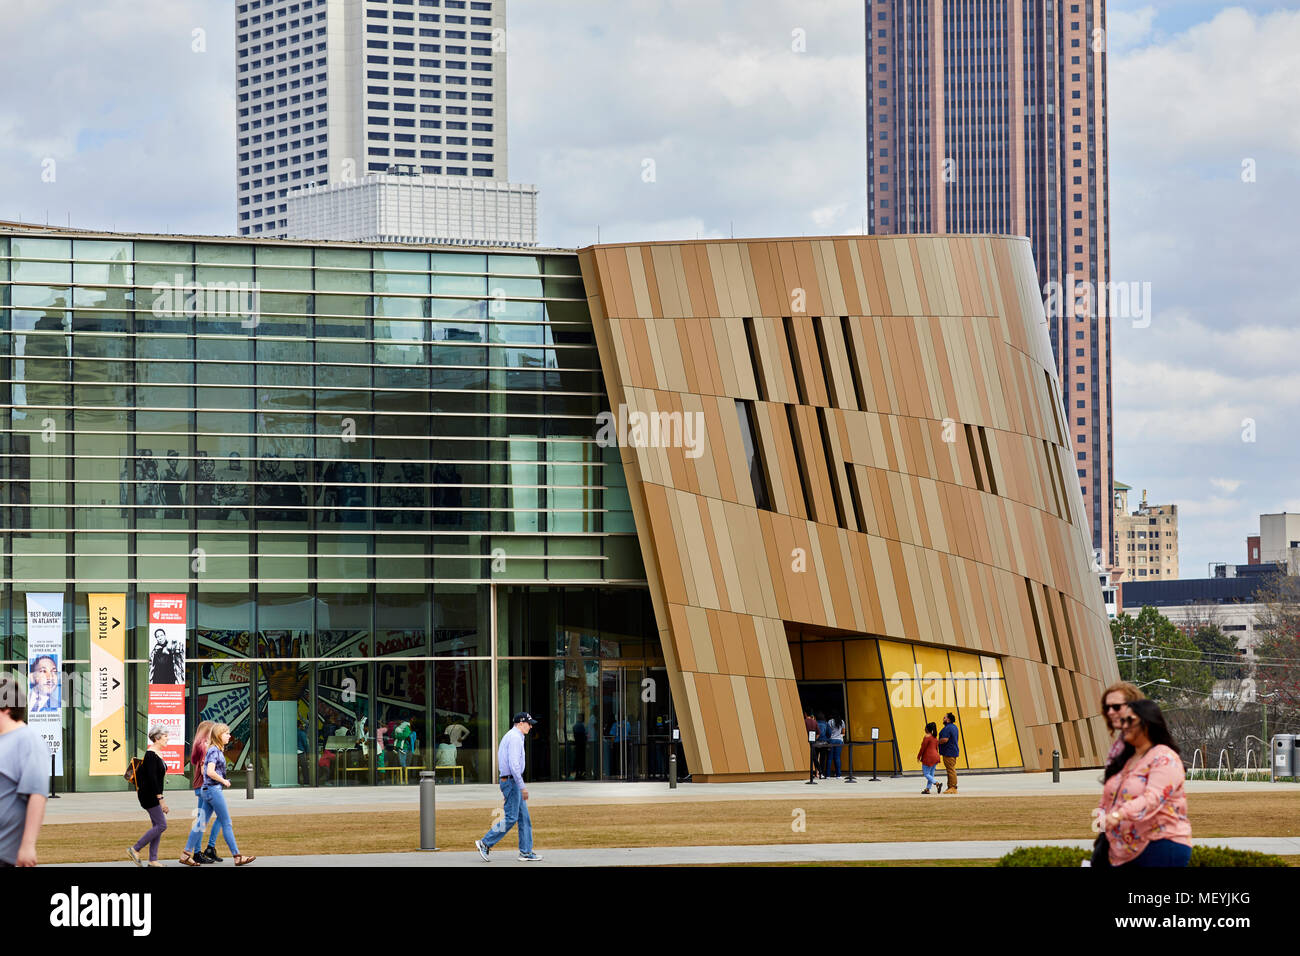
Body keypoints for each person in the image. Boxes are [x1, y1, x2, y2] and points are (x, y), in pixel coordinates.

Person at [1098, 699, 1192, 867]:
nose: (1124, 726)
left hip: (1159, 846)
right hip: (1124, 852)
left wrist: (1118, 815)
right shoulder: (1127, 760)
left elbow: (1153, 798)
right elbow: (1109, 797)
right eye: (1122, 721)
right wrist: (1102, 820)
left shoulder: (1164, 758)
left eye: (1130, 720)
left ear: (1147, 723)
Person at [475, 712, 542, 862]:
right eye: (529, 723)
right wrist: (522, 786)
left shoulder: (514, 736)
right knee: (512, 817)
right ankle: (485, 842)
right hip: (511, 782)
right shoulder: (515, 738)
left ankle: (526, 852)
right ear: (520, 723)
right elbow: (513, 765)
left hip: (511, 781)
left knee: (524, 818)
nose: (531, 726)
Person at [0, 674, 48, 867]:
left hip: (4, 853)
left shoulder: (28, 740)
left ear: (6, 708)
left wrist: (28, 846)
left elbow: (37, 794)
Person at [197, 723, 255, 866]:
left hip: (211, 789)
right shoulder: (214, 751)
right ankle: (237, 856)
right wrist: (223, 780)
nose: (230, 736)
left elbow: (207, 771)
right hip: (213, 790)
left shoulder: (215, 750)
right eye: (226, 733)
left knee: (202, 823)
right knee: (226, 822)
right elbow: (208, 771)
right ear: (218, 735)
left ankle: (188, 852)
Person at [128, 726, 170, 867]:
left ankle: (153, 860)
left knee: (157, 825)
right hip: (149, 795)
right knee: (162, 825)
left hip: (152, 794)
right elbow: (152, 779)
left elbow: (158, 778)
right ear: (157, 738)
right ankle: (135, 848)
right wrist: (161, 799)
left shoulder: (157, 753)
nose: (167, 739)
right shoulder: (151, 755)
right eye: (165, 736)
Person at [1101, 681, 1145, 763]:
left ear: (1134, 706)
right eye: (1107, 708)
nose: (1110, 712)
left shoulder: (1159, 753)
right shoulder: (1116, 748)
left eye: (1116, 707)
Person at [937, 712, 959, 794]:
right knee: (950, 769)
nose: (943, 719)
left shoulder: (948, 728)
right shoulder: (954, 727)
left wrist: (937, 742)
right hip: (952, 751)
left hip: (949, 752)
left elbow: (945, 739)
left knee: (950, 770)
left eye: (945, 717)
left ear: (949, 719)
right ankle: (950, 787)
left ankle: (953, 787)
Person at [917, 722, 941, 794]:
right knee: (931, 774)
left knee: (926, 773)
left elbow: (922, 748)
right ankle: (928, 789)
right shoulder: (935, 738)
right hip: (935, 756)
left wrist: (919, 756)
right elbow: (937, 748)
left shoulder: (927, 737)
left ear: (927, 729)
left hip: (928, 757)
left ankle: (937, 783)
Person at [815, 712, 829, 779]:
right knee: (822, 759)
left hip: (816, 743)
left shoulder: (815, 723)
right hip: (824, 743)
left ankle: (816, 773)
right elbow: (829, 733)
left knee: (815, 758)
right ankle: (822, 773)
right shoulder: (826, 724)